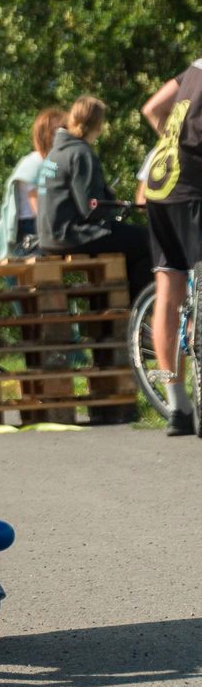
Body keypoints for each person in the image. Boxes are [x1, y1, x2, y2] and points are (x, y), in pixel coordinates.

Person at [37, 95, 152, 299]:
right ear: (97, 125)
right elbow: (90, 208)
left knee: (123, 242)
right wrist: (114, 204)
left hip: (49, 236)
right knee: (148, 241)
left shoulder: (55, 152)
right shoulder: (81, 153)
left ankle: (112, 311)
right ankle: (134, 308)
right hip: (72, 235)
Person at [141, 59, 202, 435]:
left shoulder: (194, 69)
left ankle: (177, 404)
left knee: (169, 291)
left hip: (160, 181)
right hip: (193, 184)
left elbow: (151, 109)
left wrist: (170, 142)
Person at [0, 107, 66, 259]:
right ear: (44, 134)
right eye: (57, 131)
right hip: (29, 229)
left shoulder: (49, 162)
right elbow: (37, 205)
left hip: (34, 227)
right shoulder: (35, 162)